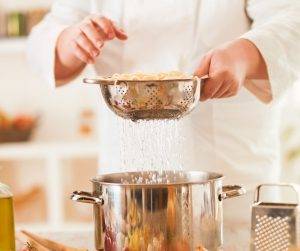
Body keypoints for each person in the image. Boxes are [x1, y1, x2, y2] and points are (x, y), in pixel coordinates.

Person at [28, 0, 300, 235]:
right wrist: (71, 40)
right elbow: (47, 38)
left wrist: (244, 54)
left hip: (229, 183)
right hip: (127, 184)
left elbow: (291, 19)